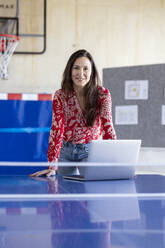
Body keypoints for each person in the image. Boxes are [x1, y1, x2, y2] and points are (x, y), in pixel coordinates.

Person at [30, 49, 117, 177]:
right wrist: (52, 166)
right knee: (66, 191)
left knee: (91, 191)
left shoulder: (103, 95)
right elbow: (56, 129)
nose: (81, 73)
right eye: (76, 68)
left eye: (85, 69)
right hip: (65, 151)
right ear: (70, 70)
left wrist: (118, 164)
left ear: (92, 72)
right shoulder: (61, 95)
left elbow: (108, 128)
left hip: (90, 150)